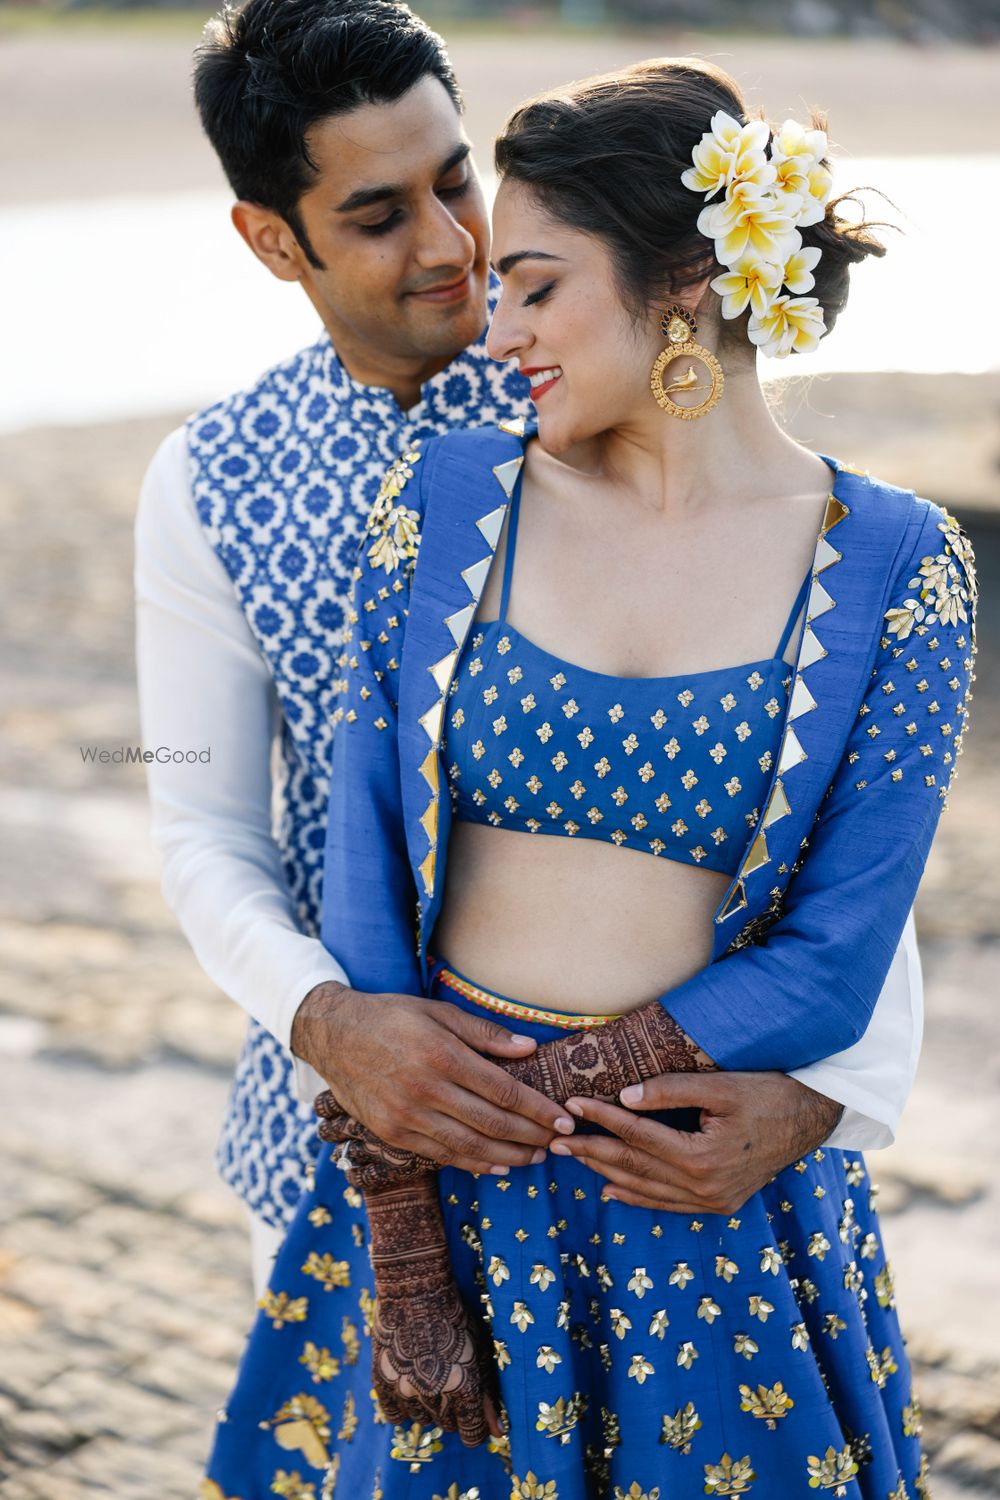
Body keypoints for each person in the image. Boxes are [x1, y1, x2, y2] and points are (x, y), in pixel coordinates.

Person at [200, 57, 976, 1500]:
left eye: (537, 287)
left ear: (684, 280)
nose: (497, 334)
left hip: (695, 1178)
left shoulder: (898, 567)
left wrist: (576, 1099)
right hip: (445, 1160)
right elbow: (367, 847)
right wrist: (406, 1190)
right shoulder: (441, 507)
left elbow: (837, 953)